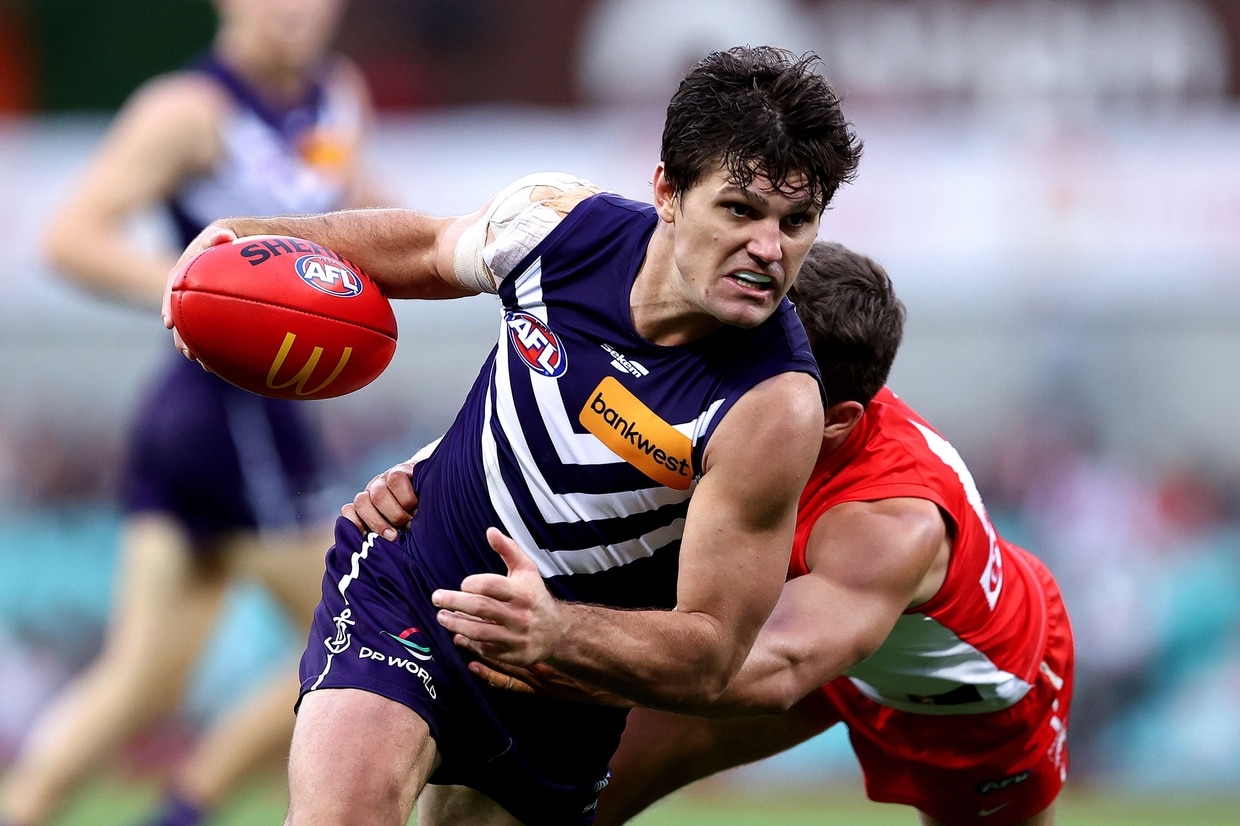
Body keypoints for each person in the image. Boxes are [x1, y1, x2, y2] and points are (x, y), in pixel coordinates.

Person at [161, 45, 863, 826]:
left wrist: (557, 632)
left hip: (557, 689)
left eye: (797, 221)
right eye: (740, 210)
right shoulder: (558, 228)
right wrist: (245, 233)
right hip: (415, 581)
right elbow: (422, 249)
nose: (770, 249)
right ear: (667, 190)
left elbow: (713, 649)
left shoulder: (774, 405)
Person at [0, 2, 382, 826]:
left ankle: (26, 809)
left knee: (144, 681)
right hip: (228, 415)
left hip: (236, 415)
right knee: (365, 629)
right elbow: (70, 237)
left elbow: (369, 213)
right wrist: (208, 297)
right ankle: (185, 810)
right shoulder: (190, 113)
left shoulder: (338, 97)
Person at [585, 241, 1075, 826]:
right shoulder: (766, 405)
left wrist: (559, 642)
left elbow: (768, 665)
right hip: (811, 623)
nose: (708, 383)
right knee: (571, 789)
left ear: (837, 420)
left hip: (967, 696)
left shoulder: (886, 526)